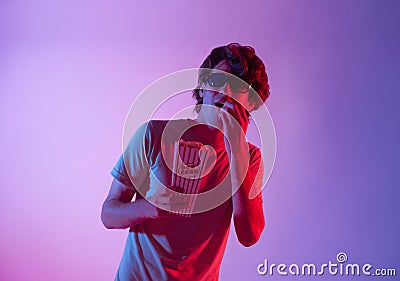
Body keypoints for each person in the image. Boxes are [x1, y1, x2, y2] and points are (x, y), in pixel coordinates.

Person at [101, 43, 271, 281]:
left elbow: (249, 235)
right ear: (202, 88)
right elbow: (108, 214)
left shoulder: (251, 158)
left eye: (236, 85)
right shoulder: (153, 135)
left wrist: (237, 149)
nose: (224, 90)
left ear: (252, 102)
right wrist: (151, 207)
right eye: (215, 81)